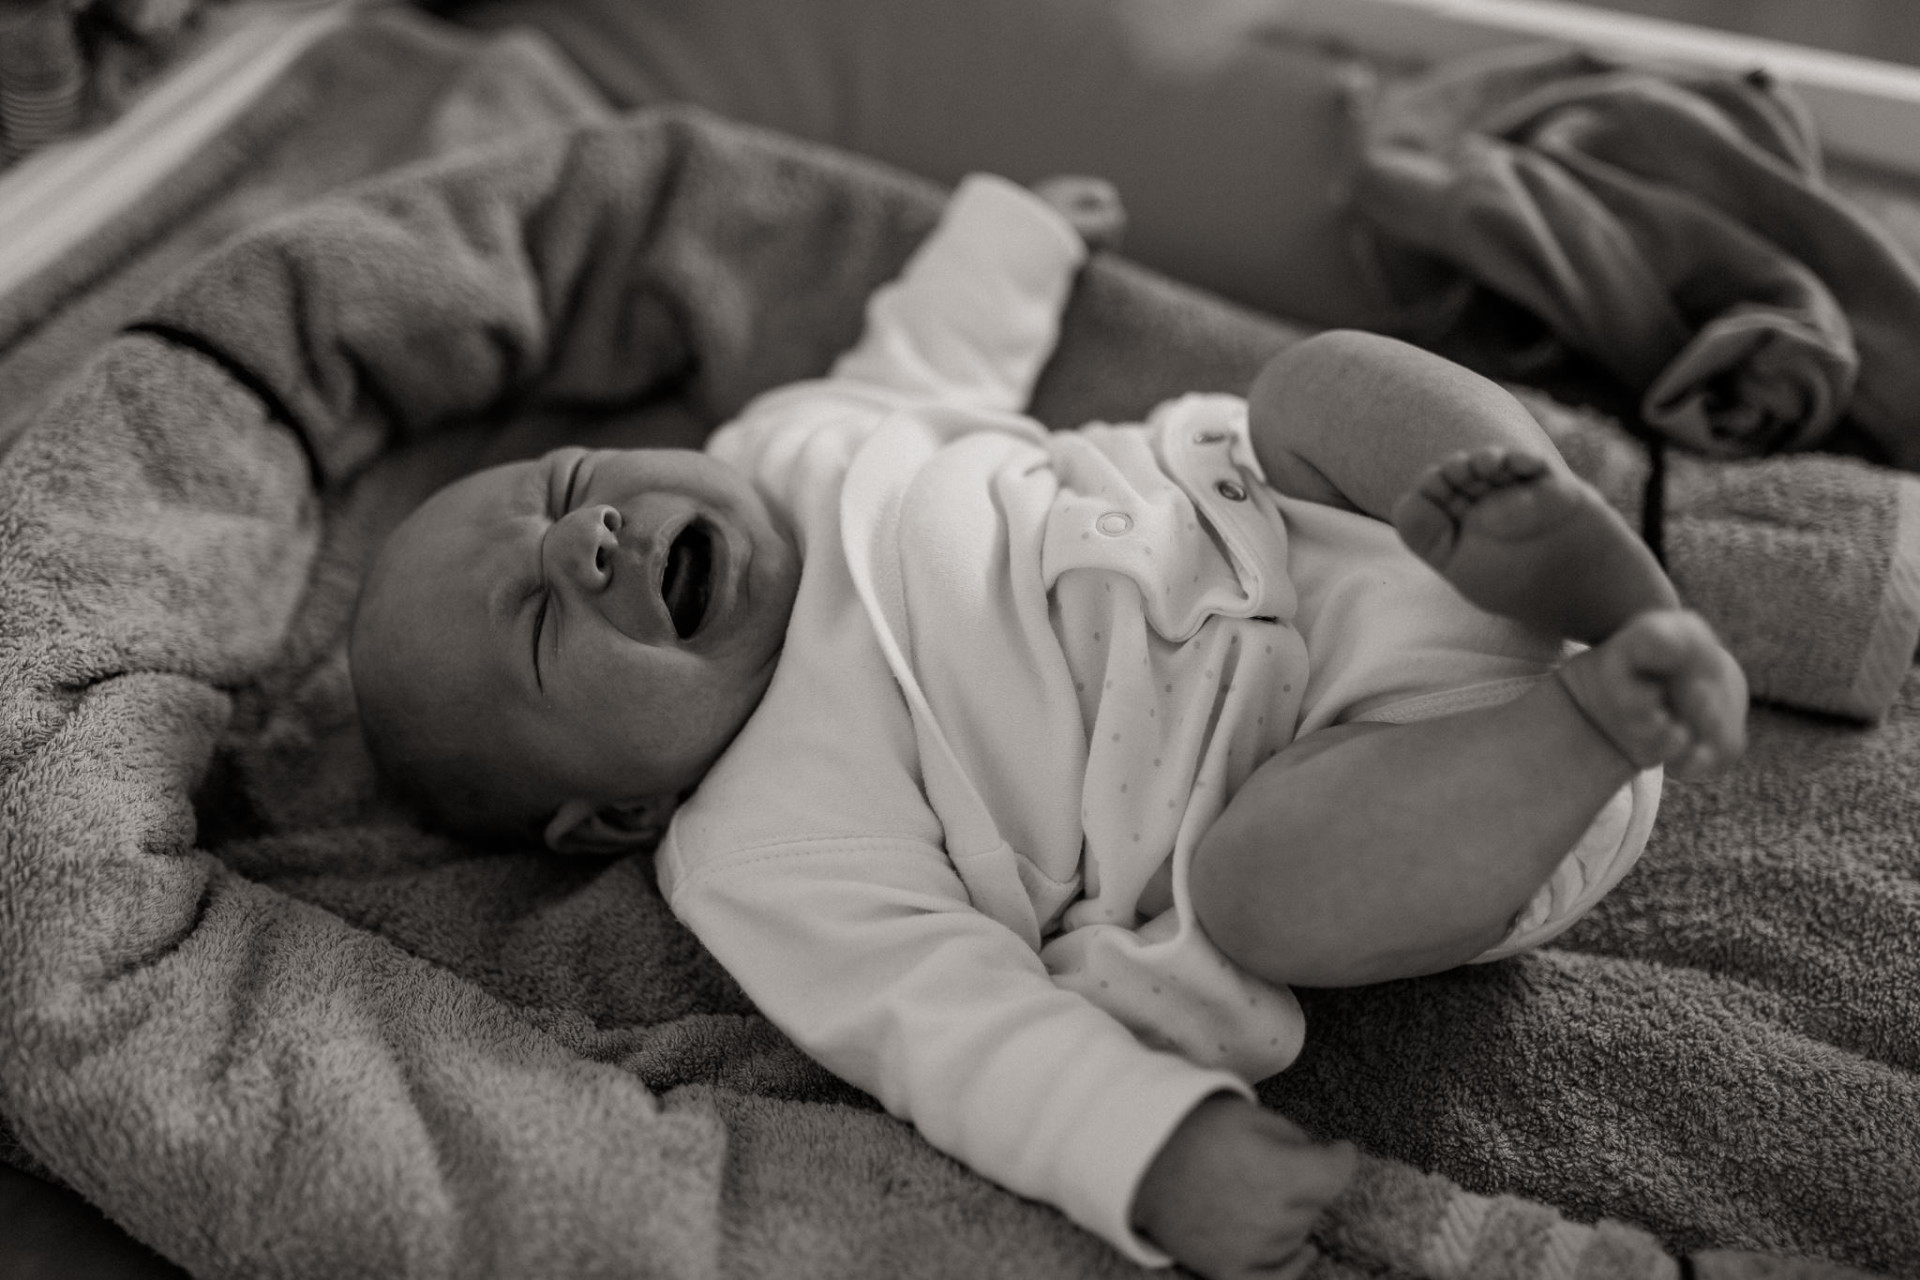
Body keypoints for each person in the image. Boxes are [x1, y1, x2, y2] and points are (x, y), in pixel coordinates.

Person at [349, 173, 1747, 1280]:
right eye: (538, 623)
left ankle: (1584, 569)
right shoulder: (762, 847)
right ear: (615, 814)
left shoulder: (784, 442)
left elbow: (930, 354)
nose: (586, 539)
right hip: (1395, 786)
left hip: (1337, 529)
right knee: (1258, 897)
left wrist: (1013, 236)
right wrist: (1151, 1152)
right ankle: (1605, 708)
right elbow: (950, 1032)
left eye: (569, 486)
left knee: (1311, 389)